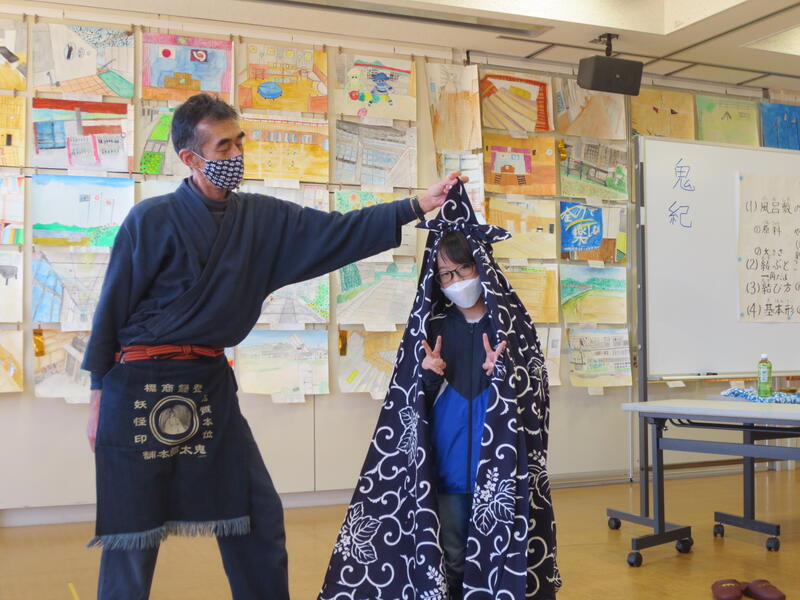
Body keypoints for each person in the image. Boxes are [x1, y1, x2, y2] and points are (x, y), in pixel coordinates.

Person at [82, 92, 466, 600]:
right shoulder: (150, 219)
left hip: (209, 385)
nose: (237, 154)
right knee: (133, 532)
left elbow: (335, 232)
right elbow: (111, 309)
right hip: (140, 385)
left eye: (239, 141)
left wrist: (416, 205)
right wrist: (97, 396)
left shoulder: (260, 219)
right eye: (223, 147)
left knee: (255, 515)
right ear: (190, 158)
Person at [420, 230, 506, 600]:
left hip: (498, 468)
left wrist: (503, 374)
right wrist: (429, 373)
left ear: (480, 267)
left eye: (463, 269)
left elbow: (532, 393)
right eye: (446, 274)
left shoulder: (507, 326)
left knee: (497, 551)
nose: (456, 280)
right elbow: (413, 404)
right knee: (454, 556)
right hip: (449, 467)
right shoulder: (433, 328)